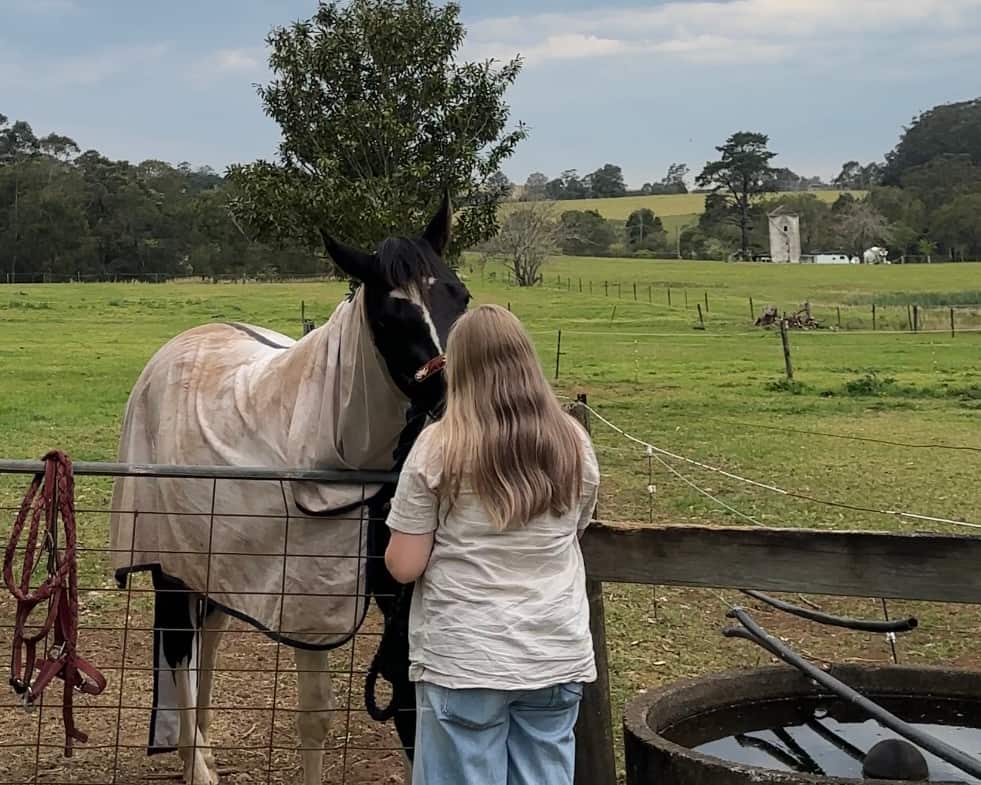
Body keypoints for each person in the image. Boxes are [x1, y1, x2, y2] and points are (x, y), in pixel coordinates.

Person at [384, 303, 599, 785]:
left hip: (466, 658)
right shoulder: (574, 443)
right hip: (553, 654)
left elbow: (403, 565)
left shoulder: (439, 445)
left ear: (458, 367)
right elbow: (574, 531)